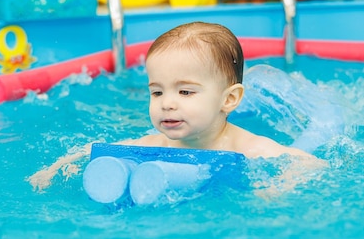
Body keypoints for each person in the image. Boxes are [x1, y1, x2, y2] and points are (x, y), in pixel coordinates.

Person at [28, 21, 318, 191]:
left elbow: (311, 164)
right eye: (156, 92)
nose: (167, 103)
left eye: (185, 91)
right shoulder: (155, 143)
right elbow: (95, 148)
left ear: (228, 99)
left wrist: (278, 190)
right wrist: (56, 169)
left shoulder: (249, 148)